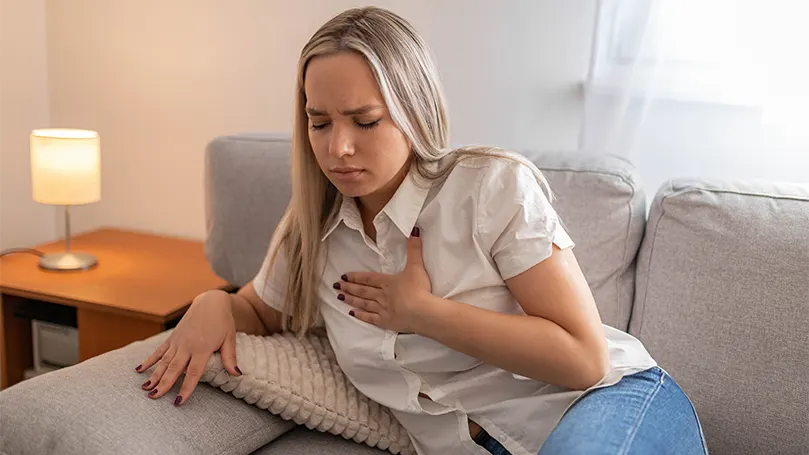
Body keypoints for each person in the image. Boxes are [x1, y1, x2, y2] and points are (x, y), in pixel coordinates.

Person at [135, 7, 707, 455]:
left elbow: (584, 359)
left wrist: (424, 314)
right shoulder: (313, 231)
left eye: (365, 121)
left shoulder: (489, 188)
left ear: (413, 109)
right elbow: (259, 310)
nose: (339, 147)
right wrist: (214, 302)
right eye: (319, 122)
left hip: (608, 403)